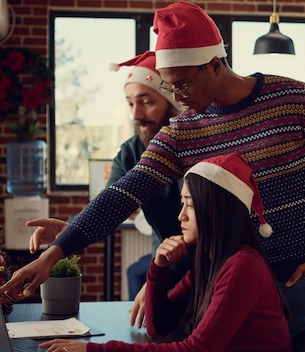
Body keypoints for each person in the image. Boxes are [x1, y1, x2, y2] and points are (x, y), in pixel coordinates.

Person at [0, 2, 305, 351]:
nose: (178, 95)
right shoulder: (183, 131)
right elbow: (123, 194)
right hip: (234, 289)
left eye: (184, 84)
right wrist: (57, 251)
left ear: (214, 64)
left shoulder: (297, 99)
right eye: (170, 84)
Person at [39, 153, 292, 351]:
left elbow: (196, 349)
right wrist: (158, 268)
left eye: (190, 205)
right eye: (182, 203)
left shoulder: (241, 266)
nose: (180, 215)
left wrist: (92, 350)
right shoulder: (210, 262)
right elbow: (158, 326)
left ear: (216, 211)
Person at [28, 51, 189, 326]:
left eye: (146, 101)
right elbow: (109, 205)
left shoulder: (198, 143)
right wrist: (69, 228)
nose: (136, 114)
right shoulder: (131, 152)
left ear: (172, 101)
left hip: (203, 269)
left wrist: (155, 280)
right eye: (130, 103)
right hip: (163, 263)